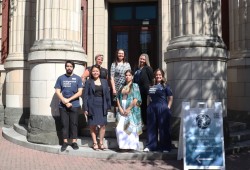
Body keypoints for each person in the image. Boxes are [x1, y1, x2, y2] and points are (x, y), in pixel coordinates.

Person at [54, 60, 83, 152]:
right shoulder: (60, 78)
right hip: (63, 106)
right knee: (64, 124)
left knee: (74, 124)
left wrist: (69, 100)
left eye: (71, 66)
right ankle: (65, 142)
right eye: (67, 66)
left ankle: (74, 142)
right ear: (65, 67)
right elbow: (57, 91)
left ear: (73, 68)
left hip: (74, 105)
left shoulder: (78, 78)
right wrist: (64, 101)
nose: (69, 68)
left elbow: (80, 92)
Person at [143, 68, 173, 153]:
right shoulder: (151, 85)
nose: (158, 76)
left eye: (160, 75)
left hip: (162, 108)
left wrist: (168, 107)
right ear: (154, 76)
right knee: (151, 127)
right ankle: (151, 146)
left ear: (162, 76)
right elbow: (148, 97)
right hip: (152, 108)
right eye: (157, 75)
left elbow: (170, 97)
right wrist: (148, 106)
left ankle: (165, 147)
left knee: (164, 128)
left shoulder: (165, 86)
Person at [83, 64, 111, 150]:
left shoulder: (104, 81)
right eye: (94, 71)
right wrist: (85, 108)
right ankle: (95, 142)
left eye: (97, 71)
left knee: (102, 125)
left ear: (99, 72)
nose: (95, 72)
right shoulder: (88, 82)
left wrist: (108, 106)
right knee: (92, 125)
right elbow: (85, 96)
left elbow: (107, 95)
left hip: (102, 105)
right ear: (91, 72)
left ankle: (101, 142)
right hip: (92, 105)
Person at [116, 70, 143, 151]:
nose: (127, 77)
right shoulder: (122, 86)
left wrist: (128, 109)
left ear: (132, 77)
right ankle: (123, 146)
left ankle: (131, 146)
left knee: (131, 128)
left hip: (131, 110)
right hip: (122, 109)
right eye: (126, 75)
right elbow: (117, 98)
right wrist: (120, 108)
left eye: (129, 75)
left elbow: (136, 99)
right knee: (119, 128)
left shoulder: (135, 86)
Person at [133, 53, 154, 127]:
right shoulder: (136, 68)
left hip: (145, 92)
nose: (142, 60)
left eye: (143, 59)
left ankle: (146, 124)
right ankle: (139, 123)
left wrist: (151, 92)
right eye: (141, 58)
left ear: (146, 60)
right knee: (138, 107)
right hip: (137, 91)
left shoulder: (148, 68)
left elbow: (152, 80)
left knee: (145, 107)